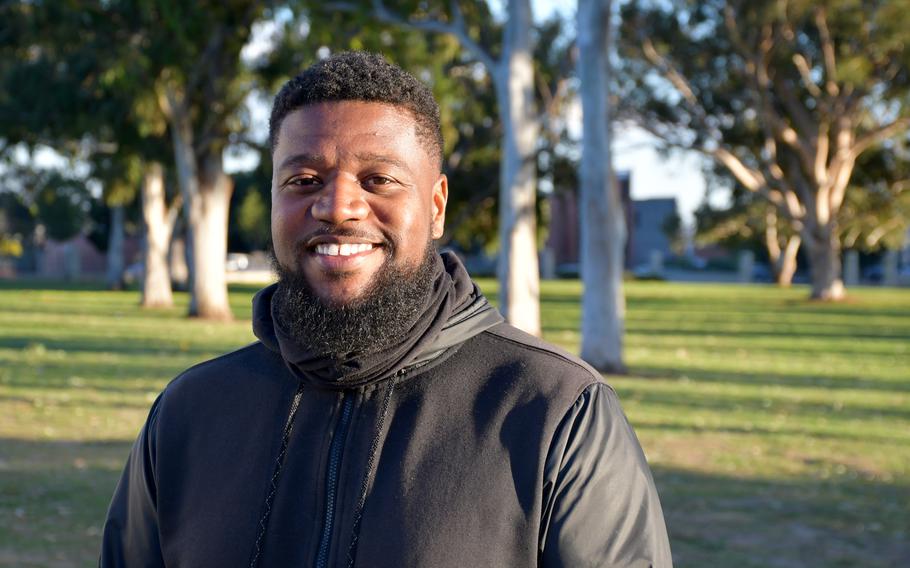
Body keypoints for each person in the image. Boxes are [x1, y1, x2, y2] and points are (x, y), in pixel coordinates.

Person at [100, 51, 672, 567]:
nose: (338, 207)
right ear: (273, 199)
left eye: (378, 179)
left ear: (436, 205)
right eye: (303, 179)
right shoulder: (190, 412)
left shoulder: (555, 413)